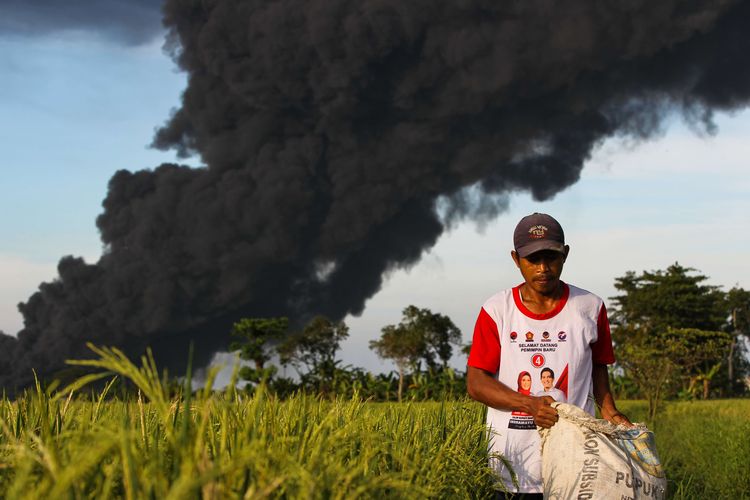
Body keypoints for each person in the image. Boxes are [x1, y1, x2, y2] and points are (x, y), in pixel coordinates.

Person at [466, 212, 630, 498]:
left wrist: (610, 411)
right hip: (512, 470)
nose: (543, 268)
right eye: (533, 259)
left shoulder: (590, 307)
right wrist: (528, 404)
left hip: (577, 464)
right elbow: (476, 383)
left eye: (551, 257)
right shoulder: (497, 311)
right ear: (516, 260)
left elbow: (598, 368)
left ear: (565, 255)